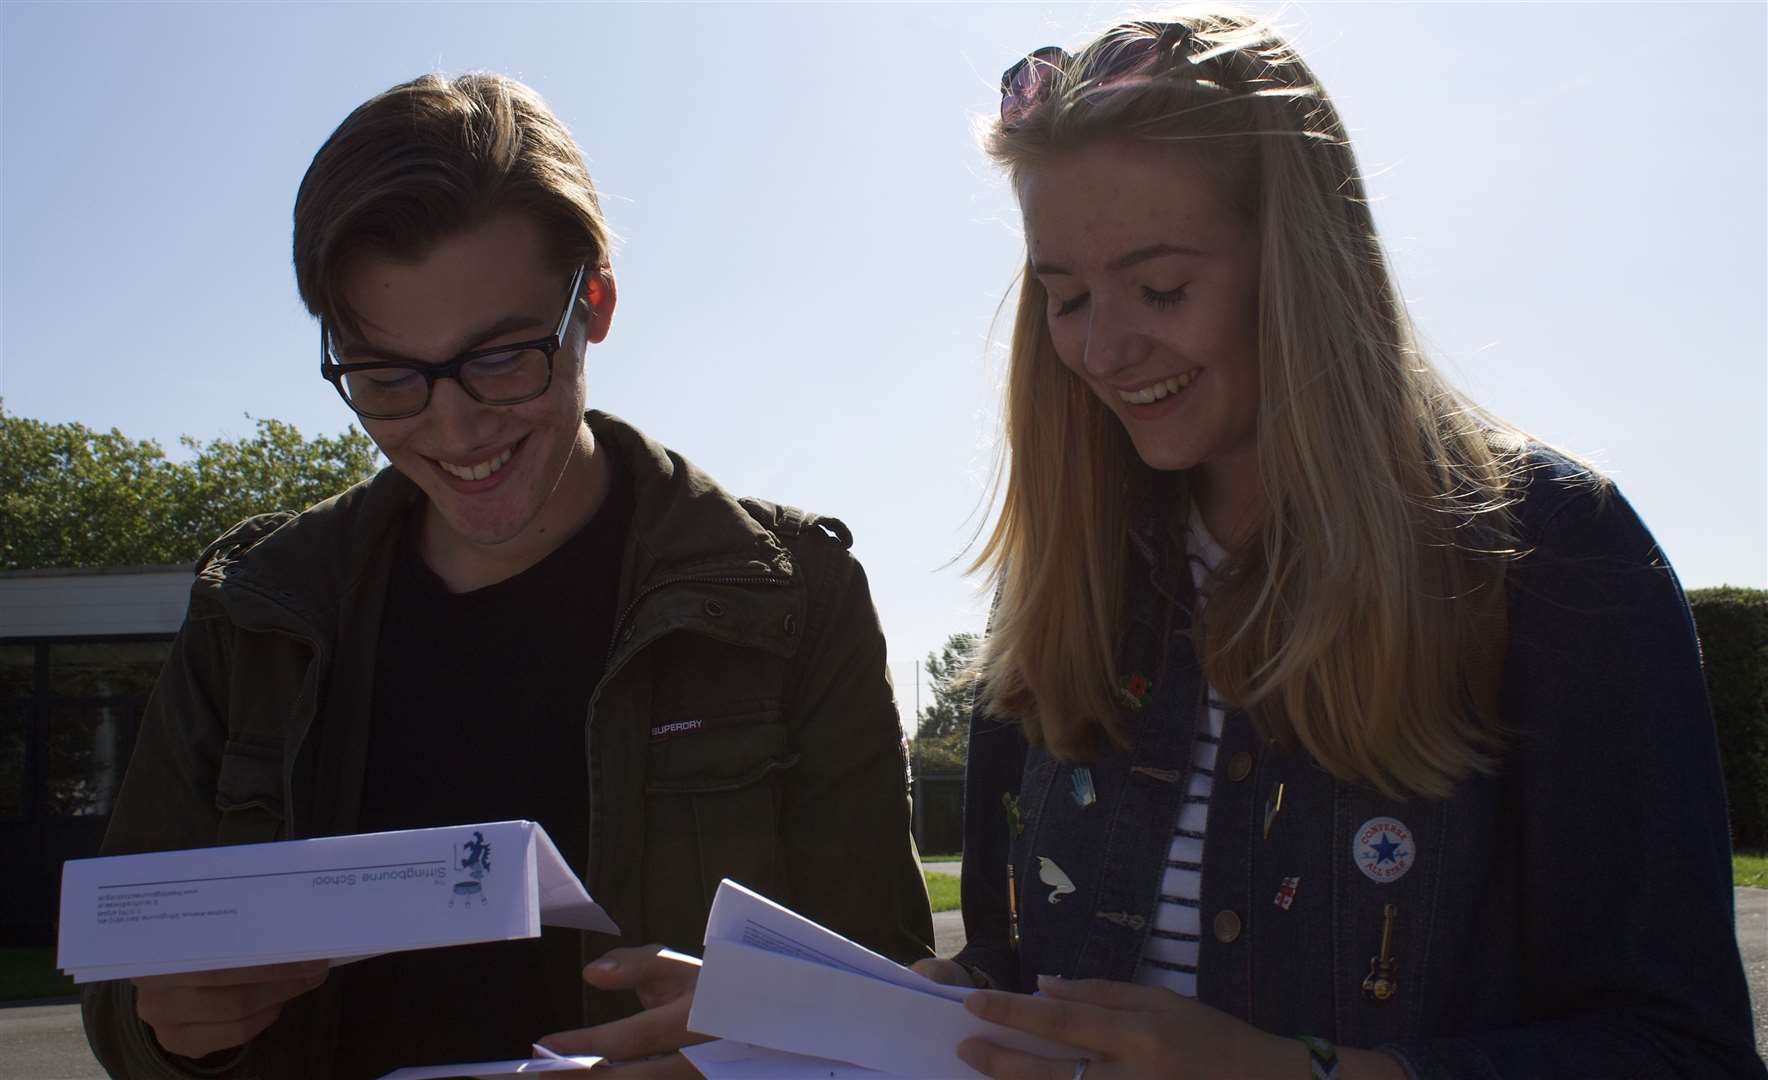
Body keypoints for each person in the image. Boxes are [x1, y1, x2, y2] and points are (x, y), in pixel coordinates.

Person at [908, 10, 1765, 1079]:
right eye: (1065, 297)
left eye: (1161, 288)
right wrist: (893, 1010)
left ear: (1301, 266)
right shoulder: (1062, 579)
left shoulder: (1554, 555)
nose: (1102, 348)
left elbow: (1683, 1052)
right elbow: (1012, 960)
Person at [80, 72, 933, 1080]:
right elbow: (118, 990)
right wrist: (167, 1029)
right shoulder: (255, 610)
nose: (454, 429)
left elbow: (886, 992)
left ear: (596, 304)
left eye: (503, 359)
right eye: (387, 377)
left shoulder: (789, 599)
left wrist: (767, 1037)